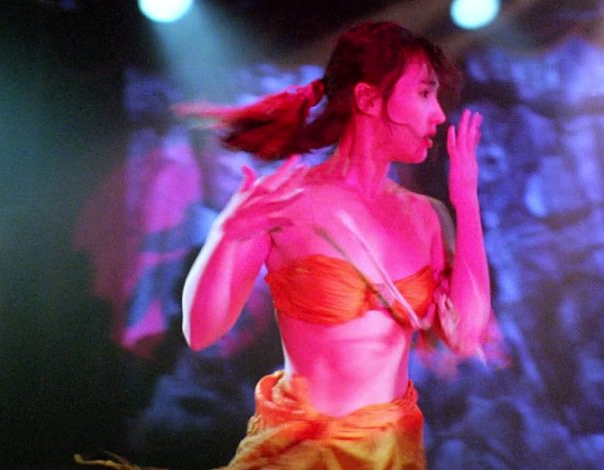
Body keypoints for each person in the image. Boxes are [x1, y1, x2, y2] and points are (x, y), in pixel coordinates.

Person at [180, 21, 495, 469]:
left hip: (392, 455)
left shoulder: (425, 216)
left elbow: (466, 336)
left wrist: (467, 203)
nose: (439, 115)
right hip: (302, 453)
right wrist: (225, 236)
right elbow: (201, 332)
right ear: (368, 99)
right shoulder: (287, 200)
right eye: (425, 93)